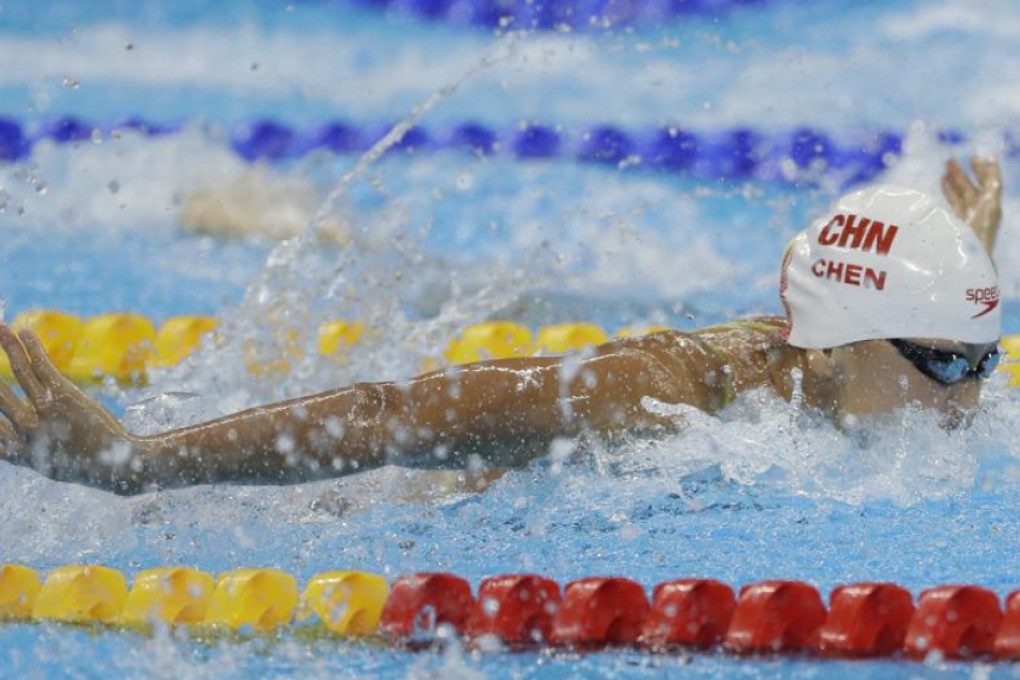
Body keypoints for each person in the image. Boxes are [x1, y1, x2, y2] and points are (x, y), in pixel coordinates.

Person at [0, 157, 1005, 495]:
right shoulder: (663, 394)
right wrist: (136, 460)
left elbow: (911, 328)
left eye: (984, 361)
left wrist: (961, 254)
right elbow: (393, 410)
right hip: (405, 506)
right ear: (847, 339)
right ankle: (252, 212)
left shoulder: (869, 356)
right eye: (945, 363)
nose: (968, 396)